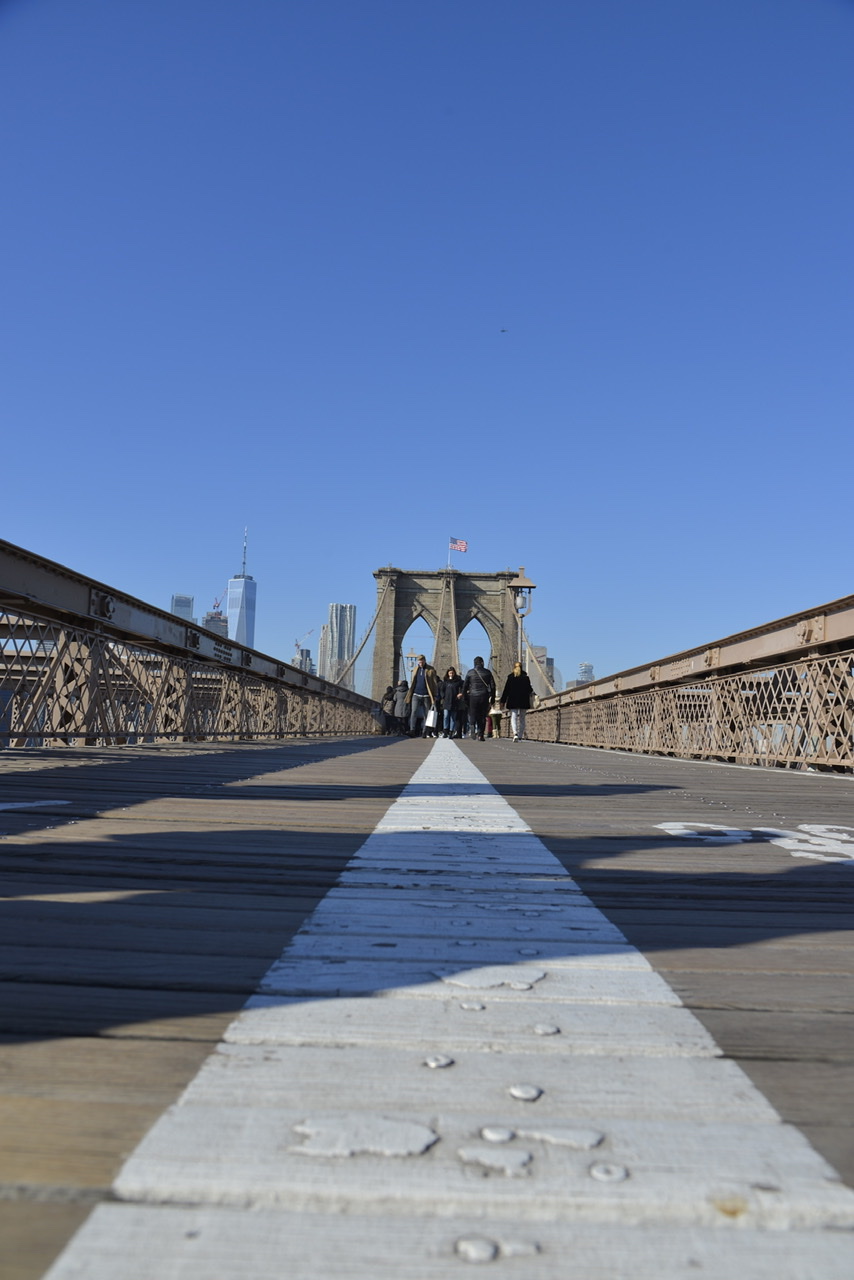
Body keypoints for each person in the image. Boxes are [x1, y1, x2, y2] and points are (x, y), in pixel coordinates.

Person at [405, 654, 439, 737]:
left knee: (426, 714)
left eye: (421, 661)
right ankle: (412, 730)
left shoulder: (431, 670)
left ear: (424, 660)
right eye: (419, 661)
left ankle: (425, 731)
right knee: (414, 712)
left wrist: (435, 695)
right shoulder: (415, 669)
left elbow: (434, 683)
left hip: (426, 695)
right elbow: (413, 681)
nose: (420, 663)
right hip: (416, 694)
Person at [461, 656, 495, 740]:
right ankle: (480, 735)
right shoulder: (488, 672)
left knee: (472, 713)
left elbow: (465, 686)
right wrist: (492, 698)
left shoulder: (470, 672)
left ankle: (472, 725)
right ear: (482, 663)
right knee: (482, 715)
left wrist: (465, 698)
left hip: (473, 696)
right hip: (484, 696)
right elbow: (493, 686)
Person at [500, 660, 534, 741]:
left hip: (513, 700)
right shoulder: (526, 678)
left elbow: (506, 690)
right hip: (523, 700)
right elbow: (529, 690)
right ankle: (520, 736)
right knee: (522, 718)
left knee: (514, 717)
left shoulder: (510, 677)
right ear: (522, 668)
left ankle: (515, 734)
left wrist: (503, 701)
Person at [440, 666, 463, 738]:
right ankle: (445, 731)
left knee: (453, 718)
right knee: (446, 716)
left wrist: (461, 693)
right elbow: (441, 690)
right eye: (450, 673)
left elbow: (463, 687)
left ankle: (451, 732)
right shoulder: (445, 682)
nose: (451, 674)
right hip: (446, 702)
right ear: (448, 673)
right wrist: (443, 696)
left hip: (454, 702)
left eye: (452, 673)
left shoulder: (458, 682)